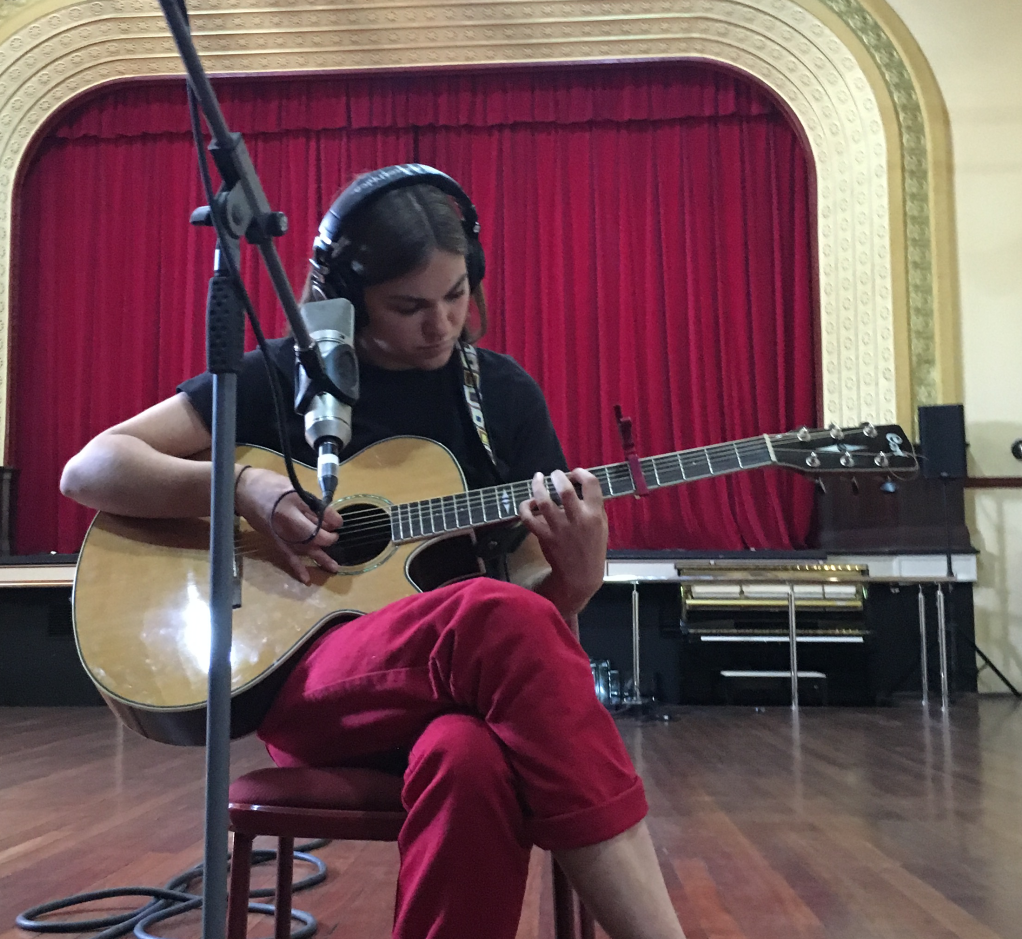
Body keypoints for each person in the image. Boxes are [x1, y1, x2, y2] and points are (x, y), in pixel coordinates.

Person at [60, 166, 688, 939]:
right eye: (409, 306)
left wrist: (577, 579)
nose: (441, 325)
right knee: (488, 611)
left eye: (456, 294)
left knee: (470, 759)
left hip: (463, 693)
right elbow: (88, 468)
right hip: (312, 683)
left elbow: (535, 630)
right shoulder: (289, 374)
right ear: (349, 300)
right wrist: (245, 487)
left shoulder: (503, 397)